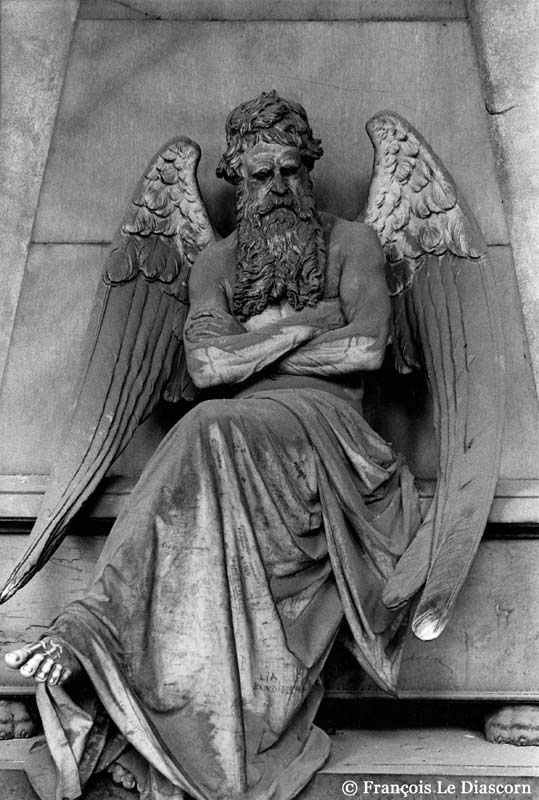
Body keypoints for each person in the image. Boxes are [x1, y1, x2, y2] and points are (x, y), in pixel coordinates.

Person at [5, 91, 421, 800]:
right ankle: (95, 639)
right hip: (234, 438)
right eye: (261, 175)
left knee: (206, 428)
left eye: (290, 170)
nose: (279, 187)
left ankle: (91, 630)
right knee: (208, 430)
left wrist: (250, 348)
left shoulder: (351, 242)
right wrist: (304, 327)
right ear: (237, 179)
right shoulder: (216, 263)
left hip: (329, 436)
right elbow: (203, 369)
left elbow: (366, 348)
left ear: (309, 169)